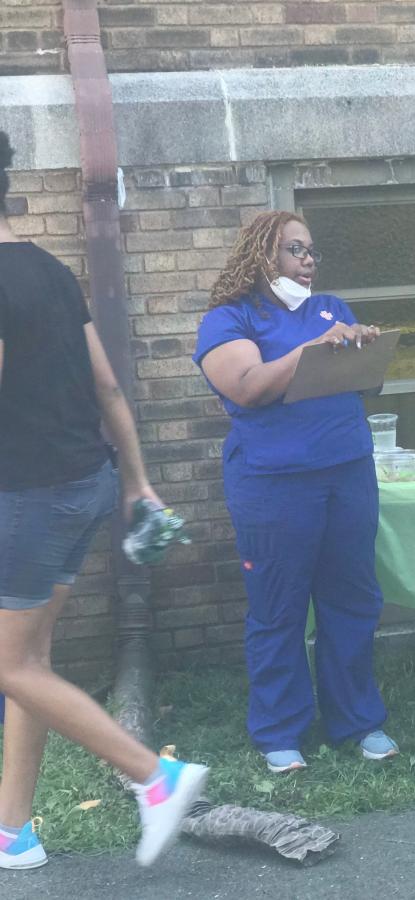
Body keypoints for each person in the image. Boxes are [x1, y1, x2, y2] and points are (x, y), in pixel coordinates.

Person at [0, 130, 208, 870]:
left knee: (9, 664)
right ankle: (14, 833)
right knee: (30, 657)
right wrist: (136, 480)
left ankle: (157, 777)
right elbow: (109, 385)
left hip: (25, 496)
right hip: (84, 485)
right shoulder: (49, 271)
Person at [194, 211, 397, 773]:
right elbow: (247, 386)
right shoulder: (229, 319)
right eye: (295, 250)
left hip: (347, 471)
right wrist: (315, 349)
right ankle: (280, 729)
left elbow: (368, 381)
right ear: (263, 256)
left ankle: (358, 720)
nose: (309, 261)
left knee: (352, 599)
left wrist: (361, 347)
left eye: (311, 251)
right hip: (273, 483)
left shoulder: (332, 308)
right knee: (279, 605)